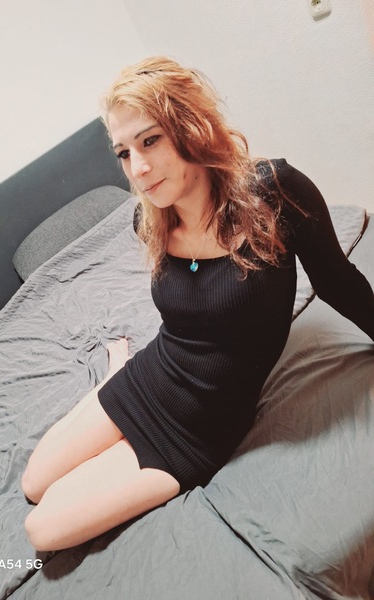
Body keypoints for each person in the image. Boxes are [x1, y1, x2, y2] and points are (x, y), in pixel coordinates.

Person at [22, 56, 374, 551]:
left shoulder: (273, 192)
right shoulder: (150, 220)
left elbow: (338, 281)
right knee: (33, 482)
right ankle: (113, 374)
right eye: (123, 153)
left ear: (190, 125)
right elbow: (188, 321)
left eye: (150, 141)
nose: (138, 169)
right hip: (152, 374)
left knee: (41, 529)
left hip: (199, 426)